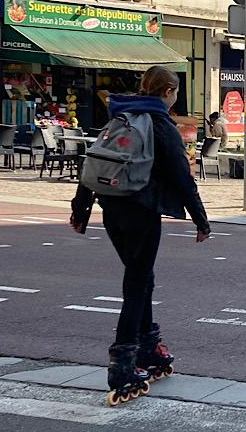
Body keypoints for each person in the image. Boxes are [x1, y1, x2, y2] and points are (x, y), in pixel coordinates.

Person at [69, 66, 210, 403]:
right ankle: (123, 362)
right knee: (136, 282)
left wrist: (81, 210)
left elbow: (96, 164)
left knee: (141, 277)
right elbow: (180, 175)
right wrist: (200, 219)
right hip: (143, 210)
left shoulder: (119, 117)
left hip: (111, 210)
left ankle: (149, 347)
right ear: (169, 91)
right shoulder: (161, 123)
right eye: (175, 92)